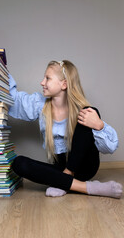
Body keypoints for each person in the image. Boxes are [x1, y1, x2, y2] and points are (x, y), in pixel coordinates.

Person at [9, 60, 123, 199]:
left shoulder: (83, 111)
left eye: (48, 78)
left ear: (64, 84)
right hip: (60, 167)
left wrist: (100, 126)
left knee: (88, 112)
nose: (42, 82)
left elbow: (110, 148)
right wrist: (0, 68)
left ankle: (66, 179)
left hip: (85, 167)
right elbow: (14, 100)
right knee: (18, 163)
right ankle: (82, 186)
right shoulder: (41, 105)